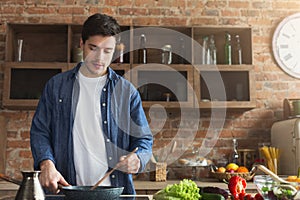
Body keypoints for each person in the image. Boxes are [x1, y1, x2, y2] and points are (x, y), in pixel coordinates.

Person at [30, 13, 153, 195]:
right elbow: (40, 131)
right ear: (81, 44)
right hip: (66, 191)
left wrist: (138, 159)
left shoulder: (127, 92)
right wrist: (46, 162)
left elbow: (144, 140)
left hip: (114, 193)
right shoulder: (56, 86)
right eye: (93, 48)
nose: (99, 58)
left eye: (107, 51)